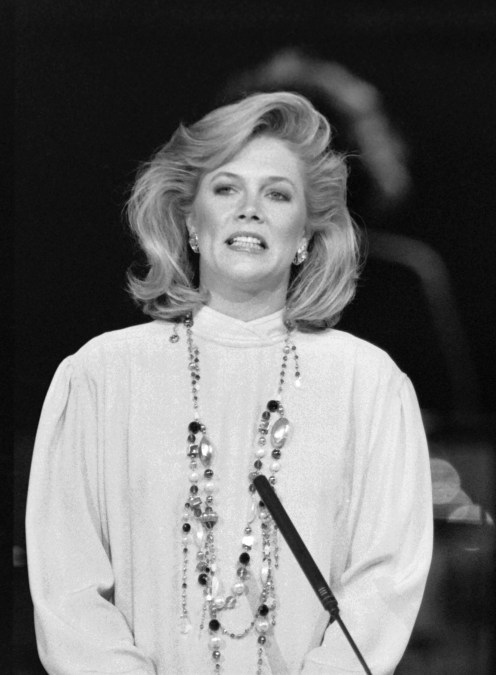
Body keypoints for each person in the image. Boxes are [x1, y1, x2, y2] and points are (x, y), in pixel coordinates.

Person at [26, 92, 433, 674]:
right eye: (226, 188)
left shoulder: (367, 384)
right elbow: (69, 586)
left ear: (306, 236)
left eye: (276, 193)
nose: (250, 210)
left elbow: (384, 582)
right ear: (191, 221)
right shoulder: (102, 374)